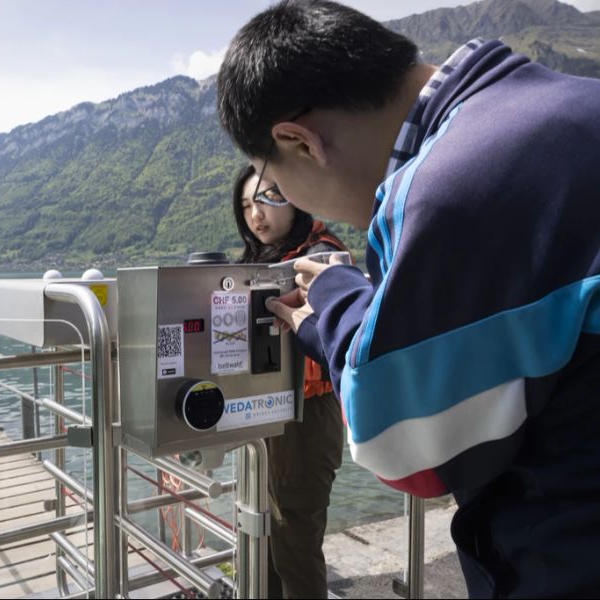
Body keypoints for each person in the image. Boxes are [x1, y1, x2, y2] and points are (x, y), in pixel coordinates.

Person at [217, 1, 600, 597]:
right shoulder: (570, 103)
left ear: (299, 140)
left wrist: (337, 305)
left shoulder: (446, 187)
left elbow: (410, 453)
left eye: (271, 181)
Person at [233, 163, 345, 599]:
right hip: (264, 412)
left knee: (294, 541)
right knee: (262, 536)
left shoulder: (321, 255)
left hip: (307, 415)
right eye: (245, 205)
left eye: (264, 199)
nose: (255, 214)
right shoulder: (264, 261)